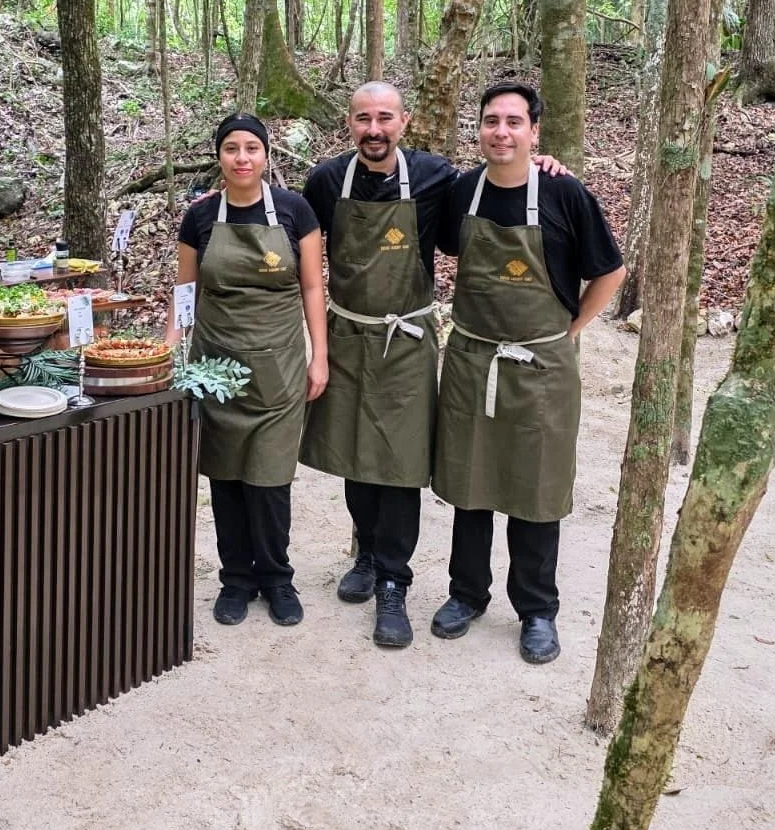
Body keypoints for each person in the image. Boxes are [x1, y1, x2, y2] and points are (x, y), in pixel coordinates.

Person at [300, 82, 567, 649]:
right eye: (363, 119)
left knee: (400, 462)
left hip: (408, 337)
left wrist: (543, 164)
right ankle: (367, 554)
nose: (374, 129)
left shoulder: (436, 178)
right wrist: (220, 196)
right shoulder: (326, 181)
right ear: (349, 123)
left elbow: (502, 179)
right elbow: (289, 231)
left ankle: (394, 581)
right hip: (349, 334)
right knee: (354, 455)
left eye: (385, 118)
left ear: (405, 122)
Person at [430, 82, 625, 664]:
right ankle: (466, 594)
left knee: (537, 488)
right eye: (491, 121)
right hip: (473, 360)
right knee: (470, 483)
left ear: (534, 132)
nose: (502, 132)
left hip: (542, 364)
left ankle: (537, 610)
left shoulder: (565, 193)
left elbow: (610, 271)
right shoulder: (463, 191)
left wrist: (572, 330)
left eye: (514, 122)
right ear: (479, 129)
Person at [166, 113, 329, 627]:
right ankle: (236, 579)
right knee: (226, 477)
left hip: (278, 367)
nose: (242, 158)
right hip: (215, 367)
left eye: (251, 148)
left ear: (266, 155)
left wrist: (319, 355)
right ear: (219, 156)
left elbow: (311, 287)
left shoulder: (295, 210)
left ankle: (277, 579)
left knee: (270, 480)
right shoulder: (199, 217)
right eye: (232, 148)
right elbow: (185, 292)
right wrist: (167, 352)